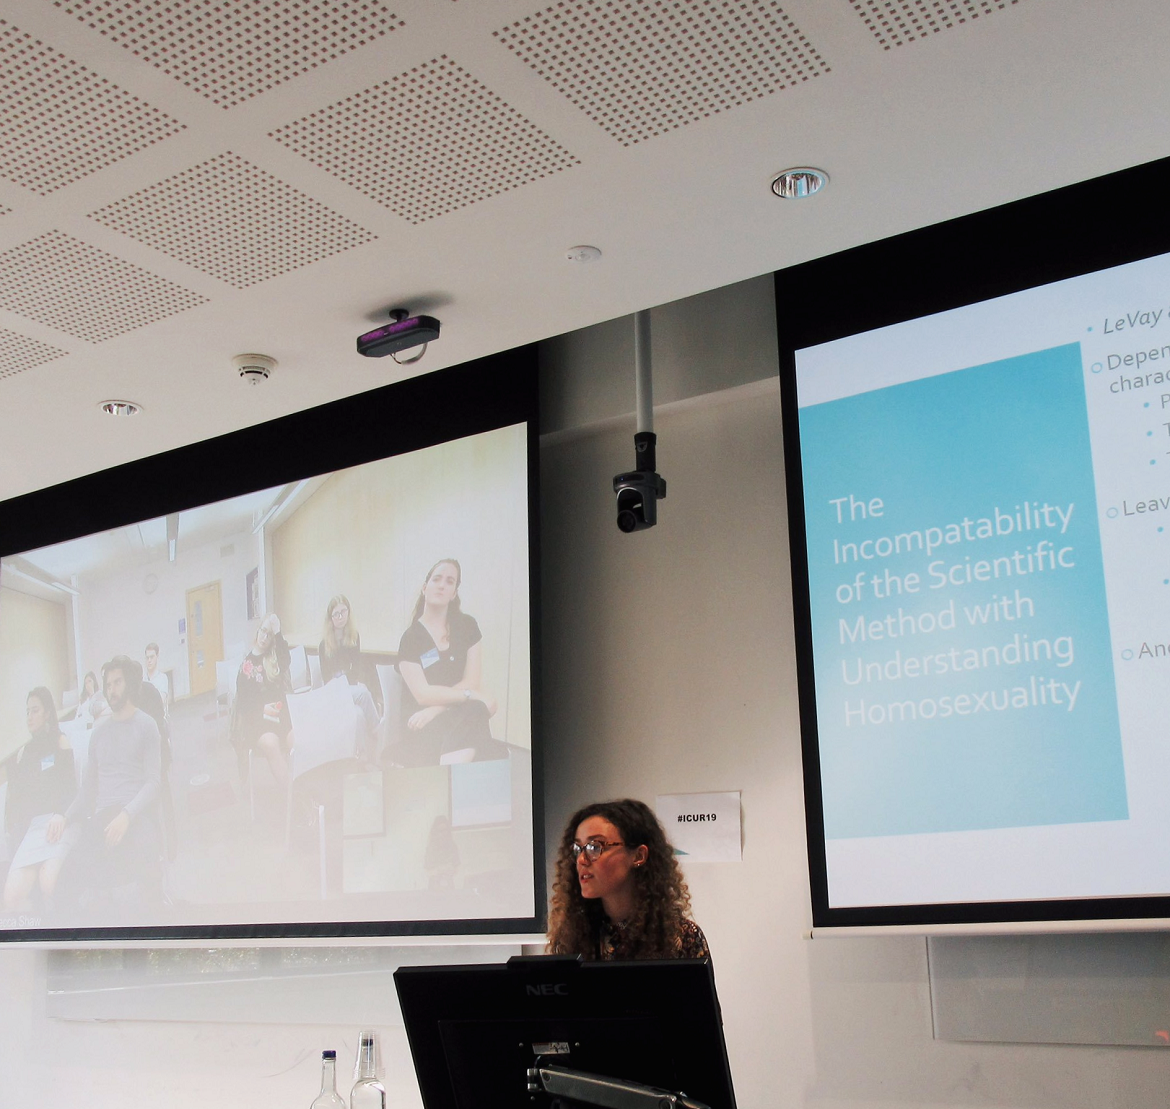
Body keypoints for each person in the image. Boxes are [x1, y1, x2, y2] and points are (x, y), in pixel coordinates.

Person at [53, 657, 163, 913]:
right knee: (66, 877)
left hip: (135, 815)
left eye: (117, 682)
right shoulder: (99, 734)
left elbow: (154, 782)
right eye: (108, 684)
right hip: (103, 818)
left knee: (142, 873)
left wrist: (126, 815)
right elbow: (88, 789)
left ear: (130, 684)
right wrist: (65, 816)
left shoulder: (147, 725)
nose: (111, 690)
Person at [547, 799, 709, 961]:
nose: (581, 860)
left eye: (595, 847)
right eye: (578, 849)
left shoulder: (681, 937)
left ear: (638, 856)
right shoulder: (572, 936)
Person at [394, 559, 505, 765]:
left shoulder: (467, 626)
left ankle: (450, 775)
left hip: (448, 713)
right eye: (436, 579)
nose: (442, 585)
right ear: (424, 588)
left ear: (454, 593)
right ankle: (459, 776)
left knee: (478, 715)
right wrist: (470, 696)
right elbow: (422, 694)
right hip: (420, 722)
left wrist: (437, 709)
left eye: (449, 581)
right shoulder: (411, 638)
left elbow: (471, 681)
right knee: (480, 719)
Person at [2, 688, 77, 912]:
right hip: (34, 828)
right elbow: (19, 794)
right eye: (27, 712)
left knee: (48, 883)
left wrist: (61, 815)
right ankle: (39, 923)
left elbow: (71, 790)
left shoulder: (60, 741)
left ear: (47, 713)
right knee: (10, 899)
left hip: (60, 821)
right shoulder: (26, 751)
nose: (29, 717)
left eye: (35, 710)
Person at [233, 613, 293, 789]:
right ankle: (292, 793)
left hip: (281, 716)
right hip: (258, 722)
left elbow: (286, 659)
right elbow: (244, 705)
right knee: (271, 743)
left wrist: (278, 632)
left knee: (296, 739)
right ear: (257, 631)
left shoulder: (273, 659)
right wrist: (264, 710)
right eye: (263, 631)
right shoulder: (246, 666)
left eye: (270, 635)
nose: (265, 638)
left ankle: (303, 788)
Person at [318, 594, 379, 748]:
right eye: (336, 614)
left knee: (358, 714)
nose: (340, 617)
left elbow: (356, 668)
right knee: (364, 693)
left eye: (343, 612)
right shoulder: (324, 645)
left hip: (349, 688)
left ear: (348, 612)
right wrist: (347, 682)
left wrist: (350, 681)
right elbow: (327, 678)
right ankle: (378, 731)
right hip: (333, 692)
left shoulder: (354, 637)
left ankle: (361, 754)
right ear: (330, 618)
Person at [143, 643, 169, 716]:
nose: (149, 660)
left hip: (158, 718)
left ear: (157, 657)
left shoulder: (162, 678)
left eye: (152, 657)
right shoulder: (142, 678)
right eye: (147, 658)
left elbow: (160, 701)